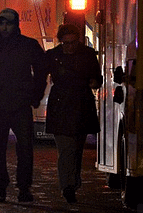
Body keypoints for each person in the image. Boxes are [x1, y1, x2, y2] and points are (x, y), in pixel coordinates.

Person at [0, 8, 47, 203]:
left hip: (19, 103)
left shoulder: (28, 45)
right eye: (1, 23)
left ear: (16, 24)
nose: (4, 27)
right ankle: (1, 187)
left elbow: (41, 69)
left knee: (25, 147)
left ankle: (24, 188)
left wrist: (35, 95)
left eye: (8, 23)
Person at [44, 24, 101, 204]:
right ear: (61, 42)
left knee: (75, 149)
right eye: (66, 43)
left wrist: (94, 82)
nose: (69, 46)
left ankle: (72, 183)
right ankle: (68, 185)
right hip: (63, 106)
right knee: (67, 149)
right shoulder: (53, 55)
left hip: (79, 105)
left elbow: (97, 78)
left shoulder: (87, 55)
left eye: (72, 42)